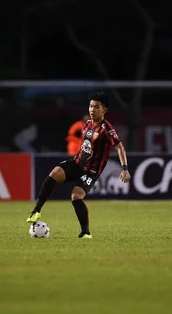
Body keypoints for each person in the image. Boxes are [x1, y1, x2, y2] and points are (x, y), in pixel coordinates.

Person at [26, 91, 131, 238]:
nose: (92, 110)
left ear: (104, 110)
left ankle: (86, 232)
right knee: (55, 173)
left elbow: (119, 147)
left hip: (91, 171)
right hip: (77, 163)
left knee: (76, 197)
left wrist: (125, 169)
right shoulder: (87, 124)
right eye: (91, 106)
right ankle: (36, 211)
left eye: (96, 107)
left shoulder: (106, 129)